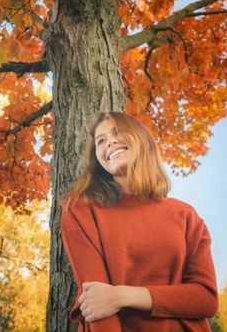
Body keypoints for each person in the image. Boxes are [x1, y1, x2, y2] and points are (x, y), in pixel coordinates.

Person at [59, 111, 218, 331]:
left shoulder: (185, 215)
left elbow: (206, 299)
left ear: (142, 140)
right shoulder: (81, 209)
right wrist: (111, 299)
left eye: (118, 132)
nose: (110, 142)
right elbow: (97, 304)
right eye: (101, 141)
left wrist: (123, 295)